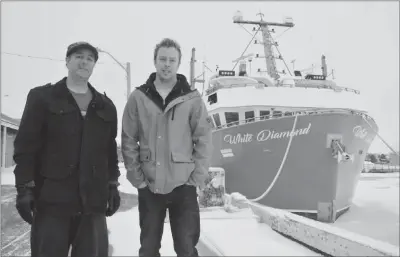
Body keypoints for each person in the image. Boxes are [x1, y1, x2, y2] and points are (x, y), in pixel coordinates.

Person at [13, 41, 121, 257]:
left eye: (90, 59)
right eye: (79, 56)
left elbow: (109, 151)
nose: (84, 62)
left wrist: (112, 185)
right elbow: (26, 147)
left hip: (92, 205)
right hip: (52, 202)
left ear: (94, 66)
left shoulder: (105, 106)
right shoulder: (43, 98)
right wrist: (25, 188)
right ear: (67, 61)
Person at [121, 38, 213, 257]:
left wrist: (195, 179)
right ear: (154, 61)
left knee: (186, 248)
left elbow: (204, 139)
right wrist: (138, 179)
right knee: (149, 248)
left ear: (178, 63)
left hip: (184, 187)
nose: (167, 64)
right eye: (162, 59)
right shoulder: (138, 97)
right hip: (150, 186)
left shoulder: (192, 99)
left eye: (172, 60)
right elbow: (128, 139)